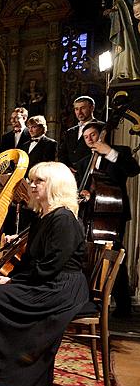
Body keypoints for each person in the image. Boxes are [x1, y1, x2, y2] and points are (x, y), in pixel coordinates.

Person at [0, 161, 89, 386]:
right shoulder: (43, 216)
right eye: (32, 180)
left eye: (39, 181)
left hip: (60, 288)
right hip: (45, 280)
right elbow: (29, 260)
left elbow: (51, 265)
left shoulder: (64, 219)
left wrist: (14, 281)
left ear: (57, 185)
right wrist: (11, 278)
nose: (32, 186)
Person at [78, 122, 140, 317]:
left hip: (112, 212)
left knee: (115, 256)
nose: (90, 139)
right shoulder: (84, 162)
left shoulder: (119, 151)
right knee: (89, 258)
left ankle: (123, 306)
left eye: (93, 134)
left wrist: (109, 152)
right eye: (86, 136)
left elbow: (133, 170)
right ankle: (87, 301)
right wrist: (84, 193)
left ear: (102, 135)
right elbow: (82, 188)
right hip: (90, 215)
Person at [59, 96, 102, 170]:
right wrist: (67, 168)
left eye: (83, 108)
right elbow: (62, 153)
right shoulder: (70, 131)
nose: (79, 112)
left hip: (89, 172)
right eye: (76, 109)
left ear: (92, 108)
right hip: (70, 175)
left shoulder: (101, 127)